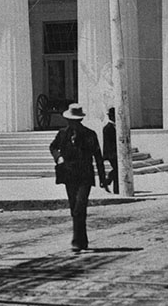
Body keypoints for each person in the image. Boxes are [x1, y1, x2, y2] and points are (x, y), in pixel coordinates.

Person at [49, 103, 105, 252]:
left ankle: (77, 241)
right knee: (74, 208)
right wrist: (58, 157)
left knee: (80, 207)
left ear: (79, 121)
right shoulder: (62, 134)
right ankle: (82, 241)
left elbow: (98, 156)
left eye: (75, 121)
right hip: (69, 175)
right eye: (70, 121)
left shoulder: (89, 134)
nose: (72, 124)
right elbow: (53, 147)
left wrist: (102, 178)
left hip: (84, 175)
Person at [102, 107, 118, 194]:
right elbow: (107, 143)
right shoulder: (107, 128)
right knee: (117, 169)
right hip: (112, 153)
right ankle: (109, 180)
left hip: (115, 153)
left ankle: (115, 187)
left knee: (117, 170)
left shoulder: (115, 127)